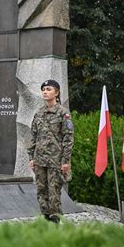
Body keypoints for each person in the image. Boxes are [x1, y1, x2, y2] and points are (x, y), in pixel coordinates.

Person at [27, 79, 74, 223]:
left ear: (57, 93)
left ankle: (55, 220)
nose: (45, 92)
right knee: (41, 190)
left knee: (54, 191)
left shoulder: (63, 113)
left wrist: (65, 161)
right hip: (40, 160)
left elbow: (68, 137)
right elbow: (33, 136)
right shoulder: (39, 113)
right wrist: (31, 158)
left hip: (55, 160)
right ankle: (45, 218)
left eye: (49, 89)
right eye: (43, 89)